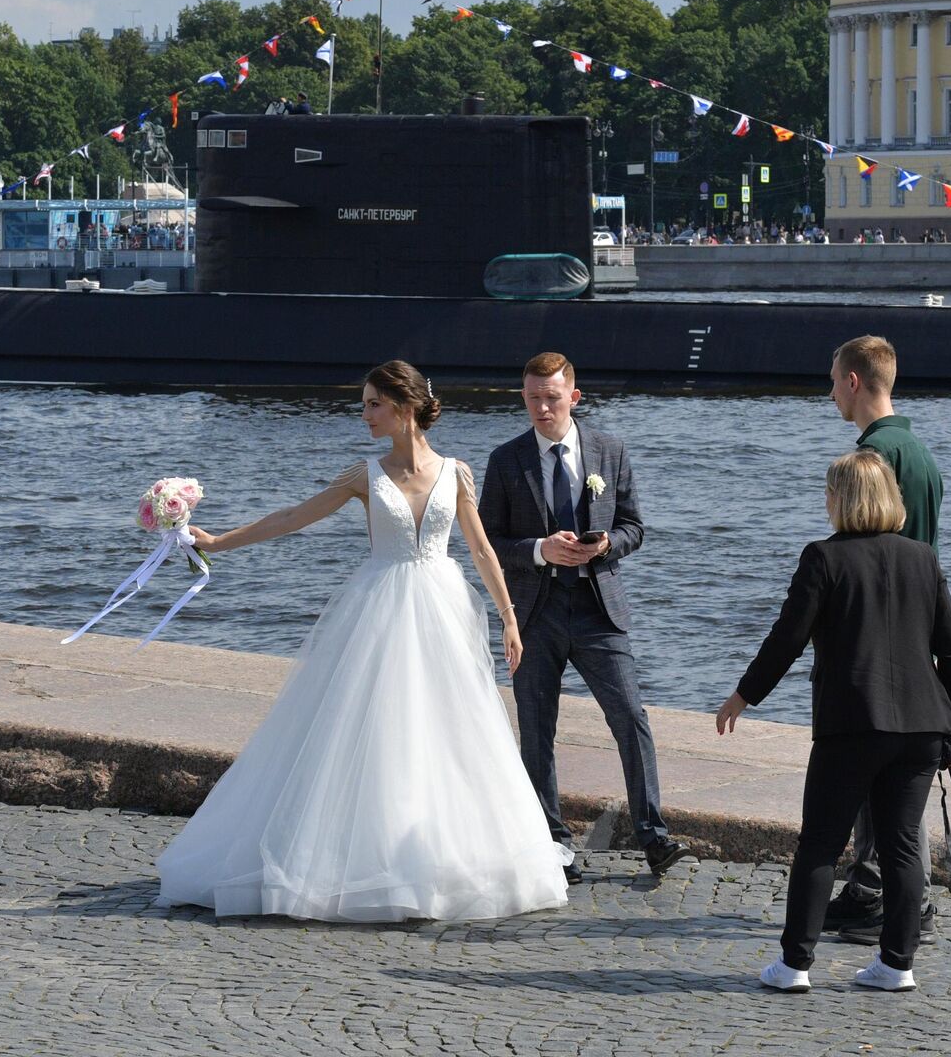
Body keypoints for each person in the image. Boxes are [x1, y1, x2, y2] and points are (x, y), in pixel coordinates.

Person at [161, 361, 566, 921]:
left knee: (447, 731)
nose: (365, 412)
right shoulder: (363, 475)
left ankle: (437, 859)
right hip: (378, 607)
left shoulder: (457, 473)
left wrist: (509, 617)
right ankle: (359, 860)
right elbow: (293, 517)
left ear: (403, 408)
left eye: (374, 403)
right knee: (372, 729)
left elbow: (480, 550)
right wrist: (221, 541)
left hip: (442, 608)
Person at [717, 449, 951, 995]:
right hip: (922, 725)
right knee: (903, 844)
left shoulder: (823, 558)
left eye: (829, 493)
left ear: (841, 500)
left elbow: (787, 639)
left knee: (820, 843)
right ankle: (897, 965)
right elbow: (950, 646)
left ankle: (794, 965)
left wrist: (744, 695)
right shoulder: (922, 558)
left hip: (852, 724)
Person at [479, 352, 695, 883]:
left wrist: (603, 548)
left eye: (551, 397)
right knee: (536, 730)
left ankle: (653, 836)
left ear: (573, 397)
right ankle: (552, 842)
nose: (541, 407)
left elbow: (634, 528)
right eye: (532, 397)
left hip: (600, 610)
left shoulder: (609, 449)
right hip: (535, 613)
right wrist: (539, 549)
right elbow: (487, 542)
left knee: (631, 720)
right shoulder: (506, 461)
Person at [824, 335, 943, 942]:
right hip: (916, 630)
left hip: (880, 638)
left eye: (833, 382)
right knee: (890, 778)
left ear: (853, 382)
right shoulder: (920, 453)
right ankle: (873, 889)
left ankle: (898, 900)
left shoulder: (874, 457)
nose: (830, 394)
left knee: (886, 781)